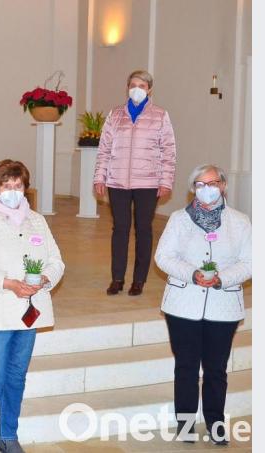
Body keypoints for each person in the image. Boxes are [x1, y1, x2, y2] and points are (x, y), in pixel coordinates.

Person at [0, 160, 65, 453]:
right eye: (7, 185)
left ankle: (9, 436)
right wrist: (8, 283)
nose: (13, 191)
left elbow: (56, 261)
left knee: (16, 379)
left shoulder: (38, 221)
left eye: (18, 186)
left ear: (25, 189)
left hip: (29, 312)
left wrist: (44, 278)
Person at [154, 164, 250, 445]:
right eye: (199, 184)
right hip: (183, 305)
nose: (206, 189)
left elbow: (250, 261)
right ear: (192, 188)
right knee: (185, 367)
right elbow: (164, 257)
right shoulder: (178, 219)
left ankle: (215, 423)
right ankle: (185, 425)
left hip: (224, 306)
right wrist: (192, 274)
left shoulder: (240, 221)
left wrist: (222, 278)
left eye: (212, 183)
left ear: (223, 185)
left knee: (216, 369)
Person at [93, 69, 177, 297]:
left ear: (149, 89)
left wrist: (166, 180)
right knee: (120, 229)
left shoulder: (160, 115)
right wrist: (99, 176)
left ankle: (139, 280)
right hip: (117, 182)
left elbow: (168, 151)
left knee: (143, 229)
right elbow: (104, 149)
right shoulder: (116, 114)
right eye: (132, 85)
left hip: (148, 182)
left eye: (141, 85)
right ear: (127, 88)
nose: (136, 89)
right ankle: (117, 278)